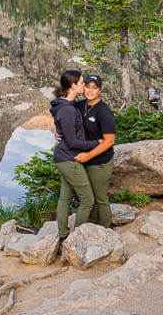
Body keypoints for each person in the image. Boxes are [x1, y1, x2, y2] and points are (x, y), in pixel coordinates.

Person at [49, 69, 99, 242]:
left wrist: (58, 130)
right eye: (82, 82)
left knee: (65, 197)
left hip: (63, 157)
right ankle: (77, 238)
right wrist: (97, 143)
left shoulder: (64, 104)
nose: (84, 85)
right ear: (73, 85)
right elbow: (72, 142)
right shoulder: (68, 110)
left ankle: (63, 236)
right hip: (69, 158)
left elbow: (55, 112)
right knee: (87, 200)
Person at [73, 74, 116, 227]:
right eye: (87, 86)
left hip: (100, 162)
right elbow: (62, 115)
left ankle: (105, 230)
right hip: (85, 160)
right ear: (83, 87)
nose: (90, 90)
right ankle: (91, 226)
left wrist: (88, 155)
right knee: (86, 197)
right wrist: (58, 132)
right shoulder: (80, 105)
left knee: (100, 198)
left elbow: (109, 140)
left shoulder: (103, 112)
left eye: (94, 87)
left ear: (100, 91)